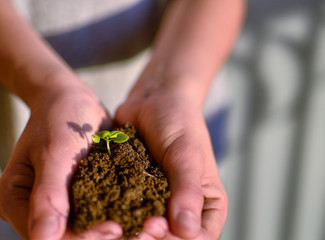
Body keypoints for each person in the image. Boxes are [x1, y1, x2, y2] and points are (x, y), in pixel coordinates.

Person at [0, 0, 245, 239]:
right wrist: (49, 90)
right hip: (39, 135)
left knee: (185, 192)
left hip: (182, 109)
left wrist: (167, 87)